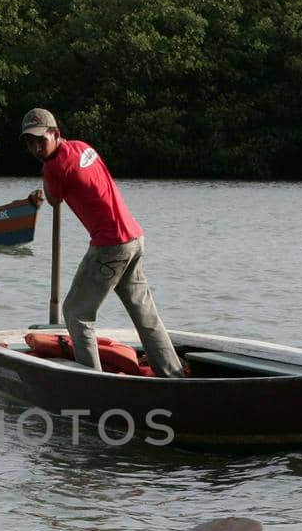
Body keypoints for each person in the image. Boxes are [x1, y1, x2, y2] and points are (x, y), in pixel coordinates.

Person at [21, 108, 184, 378]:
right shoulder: (82, 147)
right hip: (133, 238)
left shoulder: (53, 167)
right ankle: (173, 374)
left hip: (111, 245)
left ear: (56, 134)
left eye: (41, 140)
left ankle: (91, 381)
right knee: (144, 314)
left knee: (76, 311)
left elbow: (53, 199)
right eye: (30, 142)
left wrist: (45, 177)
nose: (37, 147)